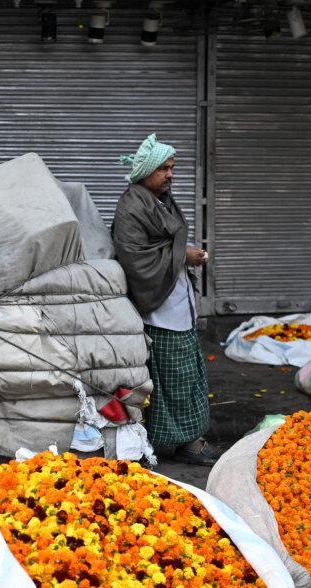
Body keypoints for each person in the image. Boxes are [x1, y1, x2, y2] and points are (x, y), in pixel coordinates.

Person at [111, 133, 221, 466]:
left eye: (172, 168)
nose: (170, 175)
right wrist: (181, 256)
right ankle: (178, 443)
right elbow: (134, 258)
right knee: (169, 382)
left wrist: (182, 257)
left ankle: (186, 439)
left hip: (177, 304)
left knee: (187, 377)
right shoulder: (132, 207)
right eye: (164, 169)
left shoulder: (163, 200)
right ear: (145, 171)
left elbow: (163, 244)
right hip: (158, 313)